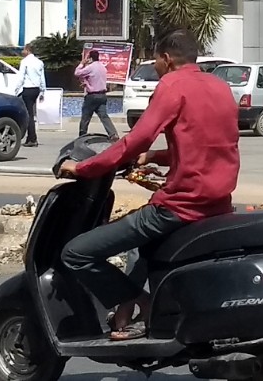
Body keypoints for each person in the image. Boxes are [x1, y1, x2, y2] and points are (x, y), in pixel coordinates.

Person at [59, 30, 240, 340]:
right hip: (218, 205)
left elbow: (135, 139)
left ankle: (139, 301)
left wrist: (84, 168)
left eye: (156, 60)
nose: (156, 66)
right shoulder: (220, 87)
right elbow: (211, 145)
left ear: (166, 59)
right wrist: (156, 156)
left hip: (179, 207)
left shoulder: (171, 85)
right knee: (140, 245)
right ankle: (135, 310)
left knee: (76, 253)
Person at [75, 50, 119, 140]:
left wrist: (82, 63)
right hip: (102, 95)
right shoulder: (103, 67)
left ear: (90, 58)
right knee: (104, 116)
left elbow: (77, 73)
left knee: (86, 116)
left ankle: (82, 135)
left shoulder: (90, 67)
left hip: (92, 96)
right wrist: (87, 83)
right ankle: (113, 134)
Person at [18, 42, 45, 147]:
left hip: (27, 89)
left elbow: (21, 78)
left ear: (27, 50)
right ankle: (30, 137)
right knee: (31, 113)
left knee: (28, 114)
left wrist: (15, 90)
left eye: (24, 49)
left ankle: (32, 138)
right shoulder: (39, 62)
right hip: (36, 89)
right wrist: (42, 90)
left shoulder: (24, 62)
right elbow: (42, 78)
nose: (23, 51)